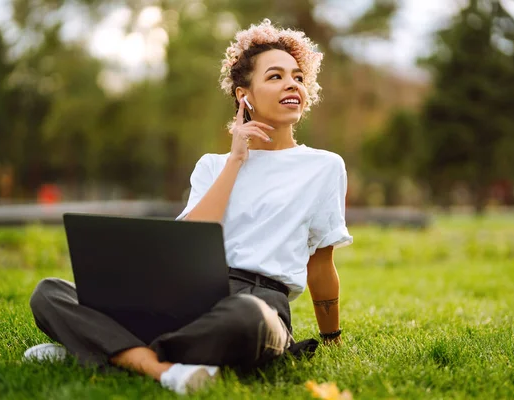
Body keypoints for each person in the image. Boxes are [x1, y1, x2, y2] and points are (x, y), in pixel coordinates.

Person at [24, 19, 353, 395]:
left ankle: (108, 350)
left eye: (297, 76)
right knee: (49, 292)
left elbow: (321, 261)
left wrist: (332, 338)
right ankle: (161, 367)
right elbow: (190, 238)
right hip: (188, 299)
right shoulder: (213, 165)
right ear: (244, 96)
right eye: (275, 76)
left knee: (247, 319)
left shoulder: (325, 166)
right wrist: (235, 161)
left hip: (258, 306)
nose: (292, 84)